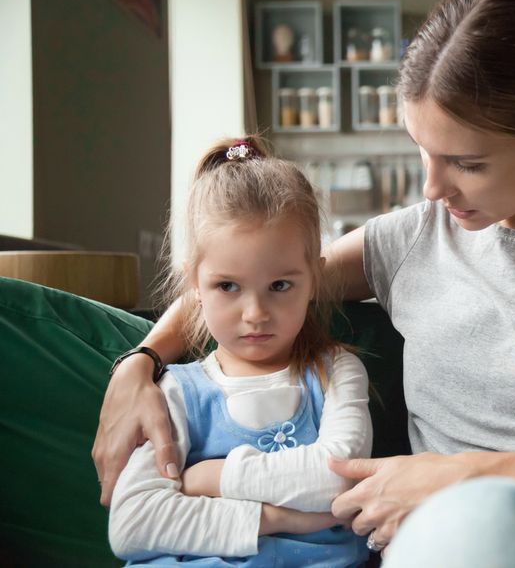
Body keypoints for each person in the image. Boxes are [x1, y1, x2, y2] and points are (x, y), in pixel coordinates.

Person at [94, 0, 515, 566]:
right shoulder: (408, 241)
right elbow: (251, 283)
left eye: (467, 162)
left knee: (479, 523)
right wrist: (139, 364)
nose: (432, 187)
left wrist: (464, 479)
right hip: (441, 550)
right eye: (423, 152)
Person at [107, 137, 372, 566]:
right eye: (227, 286)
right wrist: (273, 517)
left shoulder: (337, 371)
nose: (255, 314)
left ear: (314, 281)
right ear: (195, 284)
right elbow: (132, 524)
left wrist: (214, 477)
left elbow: (338, 476)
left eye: (280, 286)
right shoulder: (175, 390)